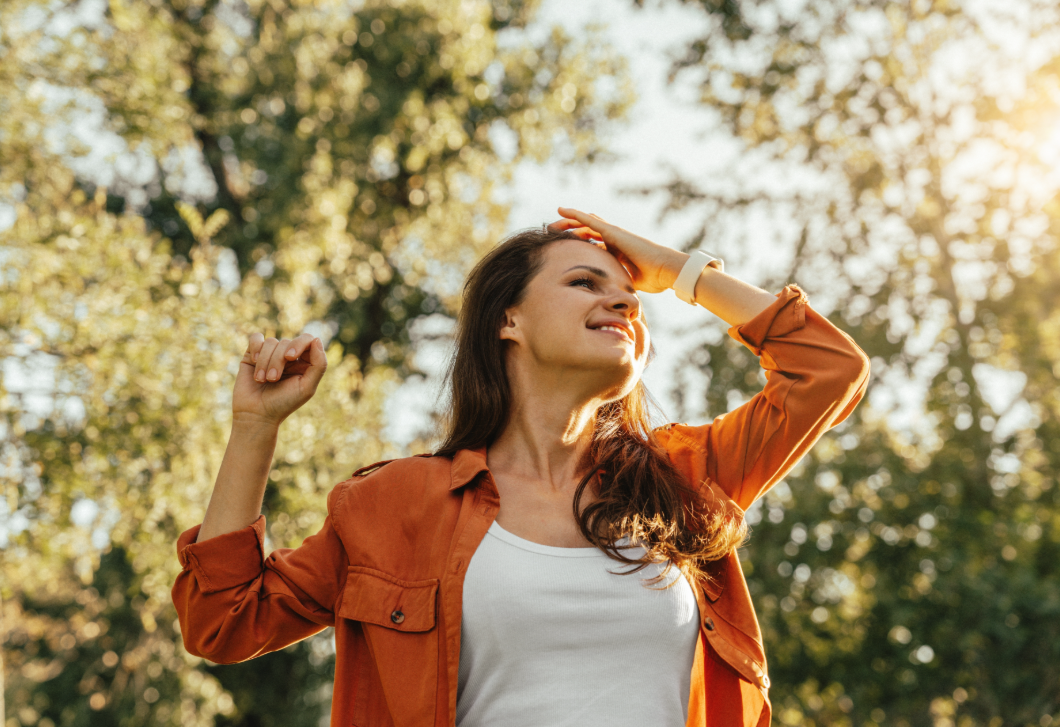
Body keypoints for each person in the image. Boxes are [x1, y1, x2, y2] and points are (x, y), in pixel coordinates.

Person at [172, 207, 870, 727]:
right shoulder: (395, 503)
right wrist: (254, 428)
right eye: (584, 281)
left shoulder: (684, 477)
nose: (626, 300)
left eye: (632, 294)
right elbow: (224, 620)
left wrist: (680, 272)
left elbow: (828, 370)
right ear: (509, 320)